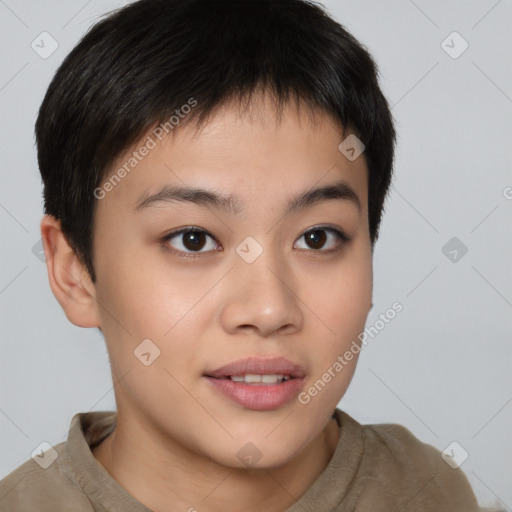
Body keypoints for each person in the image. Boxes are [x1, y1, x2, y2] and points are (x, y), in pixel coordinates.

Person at [0, 0, 480, 510]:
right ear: (74, 273)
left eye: (317, 238)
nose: (269, 310)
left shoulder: (431, 491)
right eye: (192, 239)